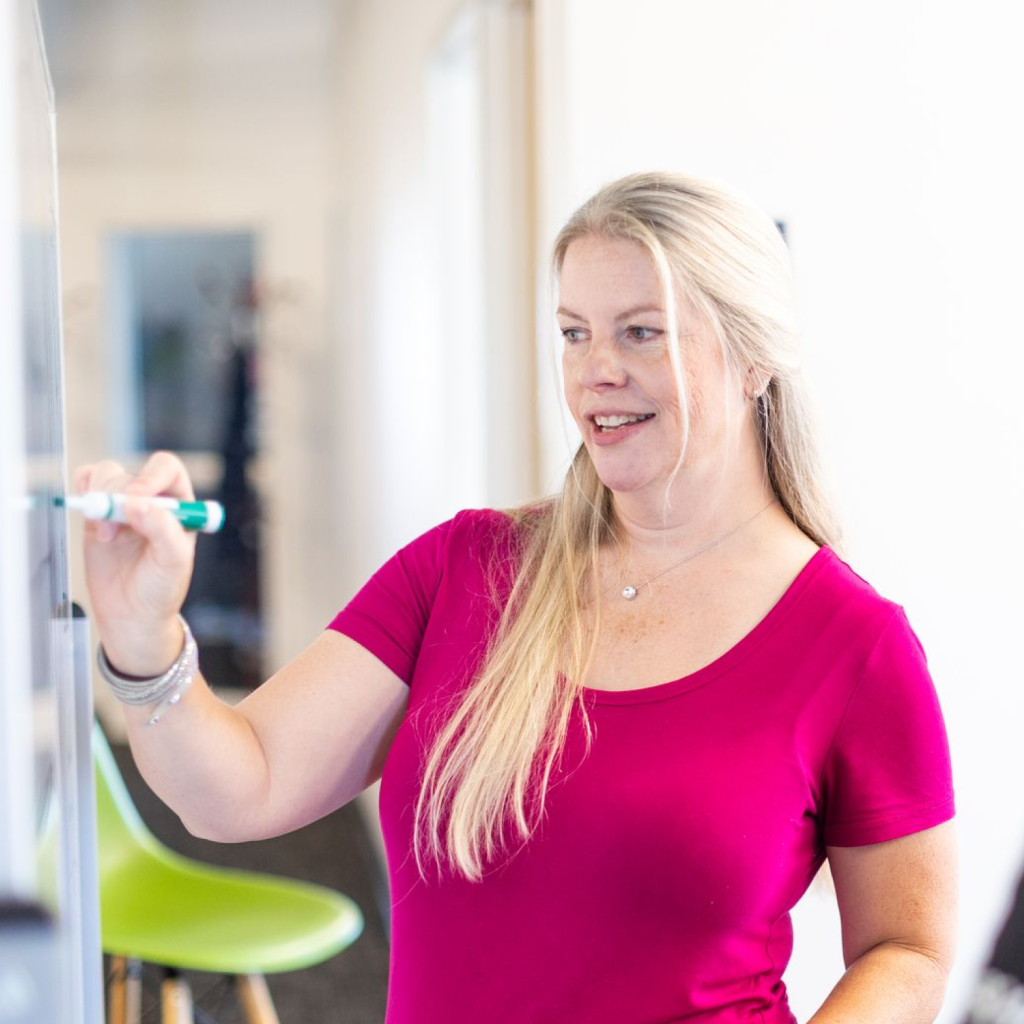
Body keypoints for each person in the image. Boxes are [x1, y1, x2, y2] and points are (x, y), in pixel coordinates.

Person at [76, 172, 957, 1024]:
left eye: (642, 332)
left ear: (755, 355)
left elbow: (907, 949)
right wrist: (144, 637)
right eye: (574, 333)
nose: (596, 371)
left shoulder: (855, 645)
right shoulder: (465, 569)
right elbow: (243, 786)